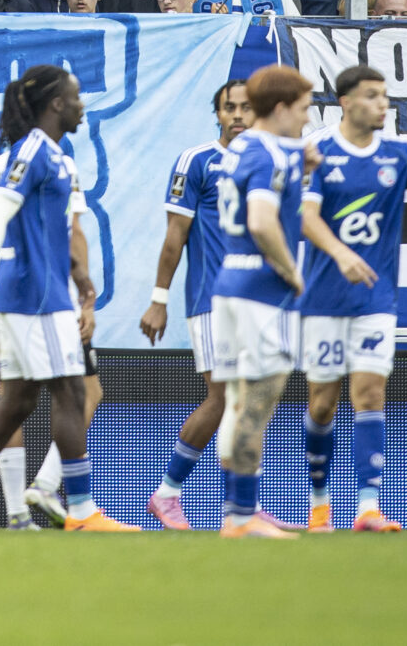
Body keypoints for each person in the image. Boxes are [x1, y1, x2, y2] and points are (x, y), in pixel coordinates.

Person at [0, 63, 132, 534]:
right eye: (75, 96)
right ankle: (82, 511)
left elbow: (54, 228)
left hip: (40, 290)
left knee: (18, 401)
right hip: (34, 296)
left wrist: (80, 275)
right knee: (72, 393)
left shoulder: (55, 155)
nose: (82, 105)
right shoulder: (34, 151)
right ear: (56, 104)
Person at [297, 64, 407, 534]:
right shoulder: (320, 151)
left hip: (376, 299)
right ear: (346, 102)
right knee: (322, 405)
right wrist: (340, 254)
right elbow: (306, 217)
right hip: (324, 299)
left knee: (369, 394)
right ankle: (319, 505)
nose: (382, 104)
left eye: (385, 96)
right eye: (372, 95)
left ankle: (368, 508)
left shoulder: (400, 153)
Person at [137, 76, 250, 528]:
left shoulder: (268, 162)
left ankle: (239, 506)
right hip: (211, 297)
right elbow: (175, 236)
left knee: (245, 400)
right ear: (217, 114)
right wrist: (158, 299)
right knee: (223, 397)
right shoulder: (198, 161)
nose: (237, 115)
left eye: (246, 107)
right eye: (229, 107)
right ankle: (169, 493)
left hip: (256, 301)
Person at [208, 63, 314, 538]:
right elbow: (261, 221)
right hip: (261, 293)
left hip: (229, 282)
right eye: (304, 109)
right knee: (258, 401)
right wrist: (292, 271)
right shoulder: (270, 153)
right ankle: (243, 516)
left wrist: (299, 164)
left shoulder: (242, 147)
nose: (307, 119)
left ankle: (235, 513)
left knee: (236, 401)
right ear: (282, 107)